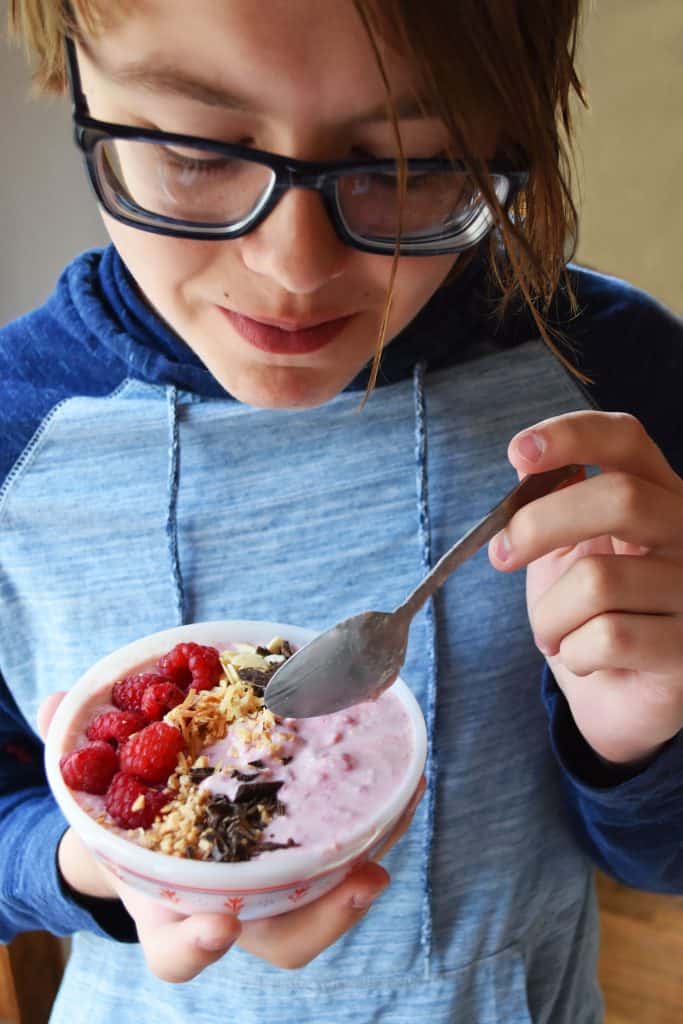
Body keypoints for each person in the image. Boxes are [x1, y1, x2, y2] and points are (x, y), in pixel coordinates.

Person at [1, 1, 682, 1021]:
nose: (292, 268)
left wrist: (637, 742)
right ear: (76, 81)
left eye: (407, 165)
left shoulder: (613, 387)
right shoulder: (19, 437)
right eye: (192, 151)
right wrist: (90, 859)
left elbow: (663, 859)